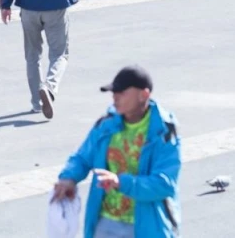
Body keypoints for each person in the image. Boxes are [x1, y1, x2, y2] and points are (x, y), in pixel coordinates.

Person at [53, 65, 181, 238]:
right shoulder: (106, 125)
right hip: (106, 223)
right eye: (114, 92)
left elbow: (164, 184)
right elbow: (83, 158)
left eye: (122, 93)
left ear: (144, 94)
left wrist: (121, 183)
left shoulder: (163, 132)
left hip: (147, 226)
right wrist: (68, 178)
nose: (115, 97)